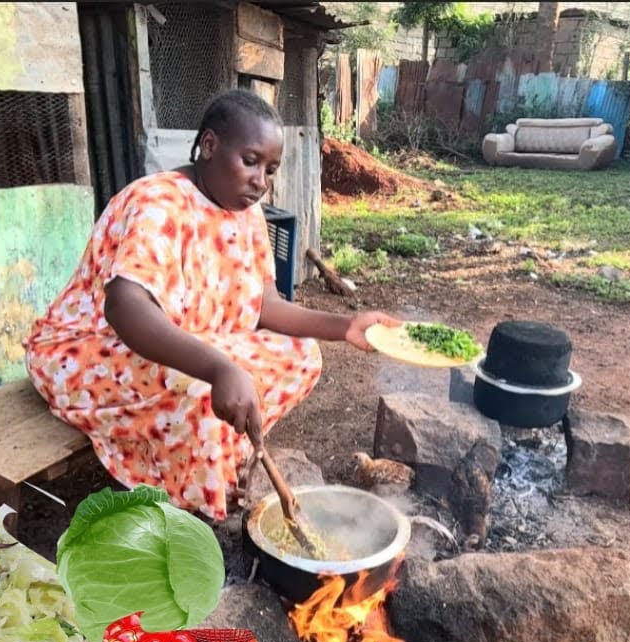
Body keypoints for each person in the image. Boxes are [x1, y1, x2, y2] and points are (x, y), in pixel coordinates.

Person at [24, 89, 400, 521]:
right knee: (201, 386)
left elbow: (265, 306)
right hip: (89, 353)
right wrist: (220, 368)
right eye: (250, 161)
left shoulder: (247, 213)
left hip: (177, 344)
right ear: (208, 145)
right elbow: (125, 308)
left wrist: (346, 326)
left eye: (270, 169)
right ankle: (191, 503)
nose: (260, 180)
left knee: (301, 355)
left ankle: (218, 451)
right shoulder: (157, 203)